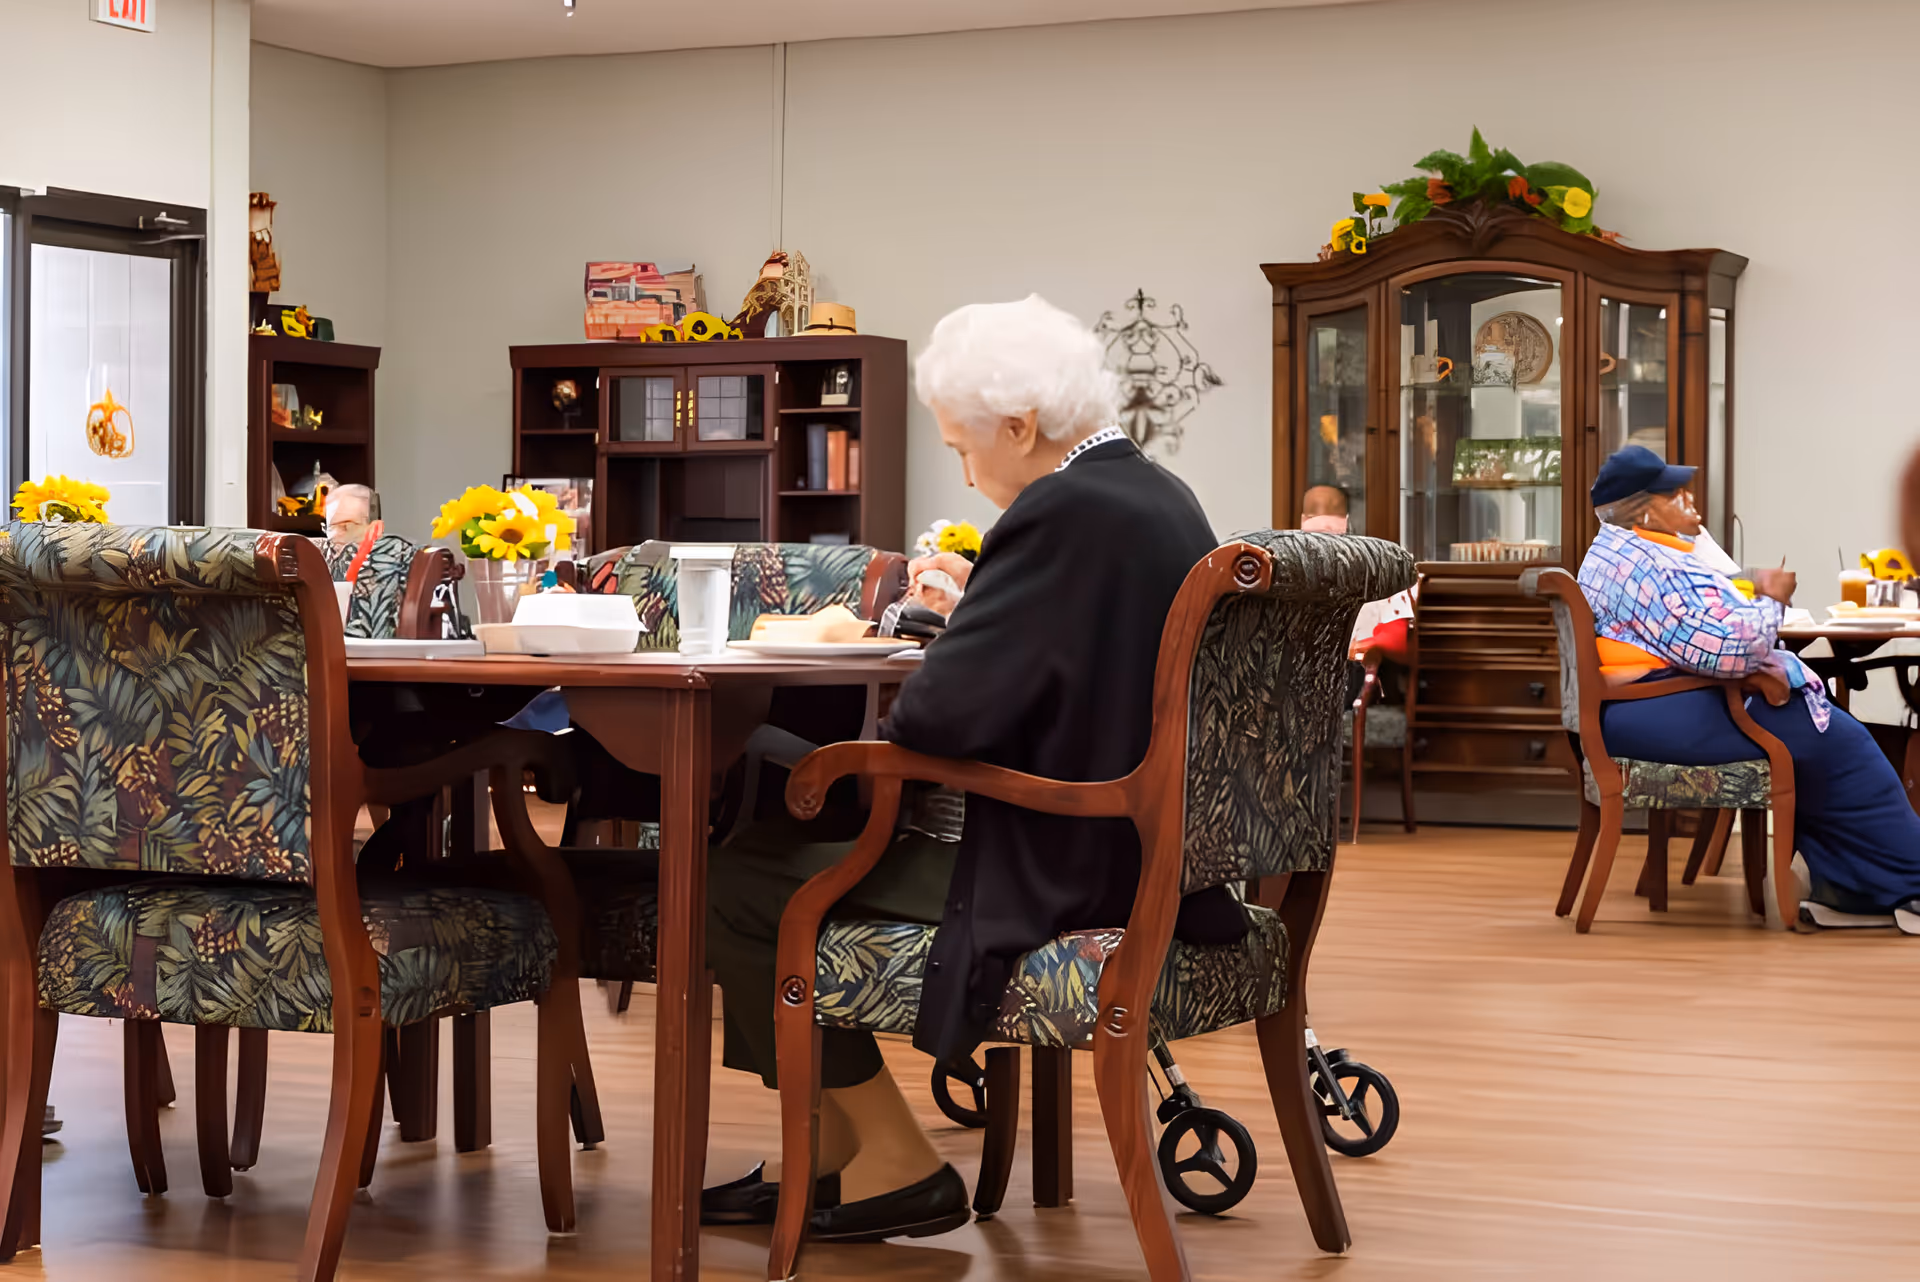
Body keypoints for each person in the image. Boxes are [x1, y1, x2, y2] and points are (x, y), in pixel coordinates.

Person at [701, 294, 1248, 1240]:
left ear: (1020, 426)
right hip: (1140, 848)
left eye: (961, 446)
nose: (962, 464)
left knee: (740, 878)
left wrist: (967, 630)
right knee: (763, 855)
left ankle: (889, 1159)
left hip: (1059, 858)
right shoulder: (1148, 494)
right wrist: (981, 615)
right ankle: (821, 1154)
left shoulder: (1061, 513)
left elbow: (936, 717)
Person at [1578, 444, 1920, 932]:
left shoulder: (1627, 552)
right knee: (1845, 746)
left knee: (1823, 752)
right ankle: (1911, 882)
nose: (1690, 499)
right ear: (1646, 509)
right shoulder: (1650, 566)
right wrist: (1774, 600)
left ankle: (1853, 889)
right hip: (1667, 707)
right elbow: (1726, 650)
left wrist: (1750, 599)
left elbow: (1695, 631)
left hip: (1661, 702)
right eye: (1675, 493)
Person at [1298, 485, 1415, 662]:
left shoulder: (1377, 568)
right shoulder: (1292, 574)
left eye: (1334, 515)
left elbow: (1397, 632)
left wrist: (1368, 645)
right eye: (1316, 517)